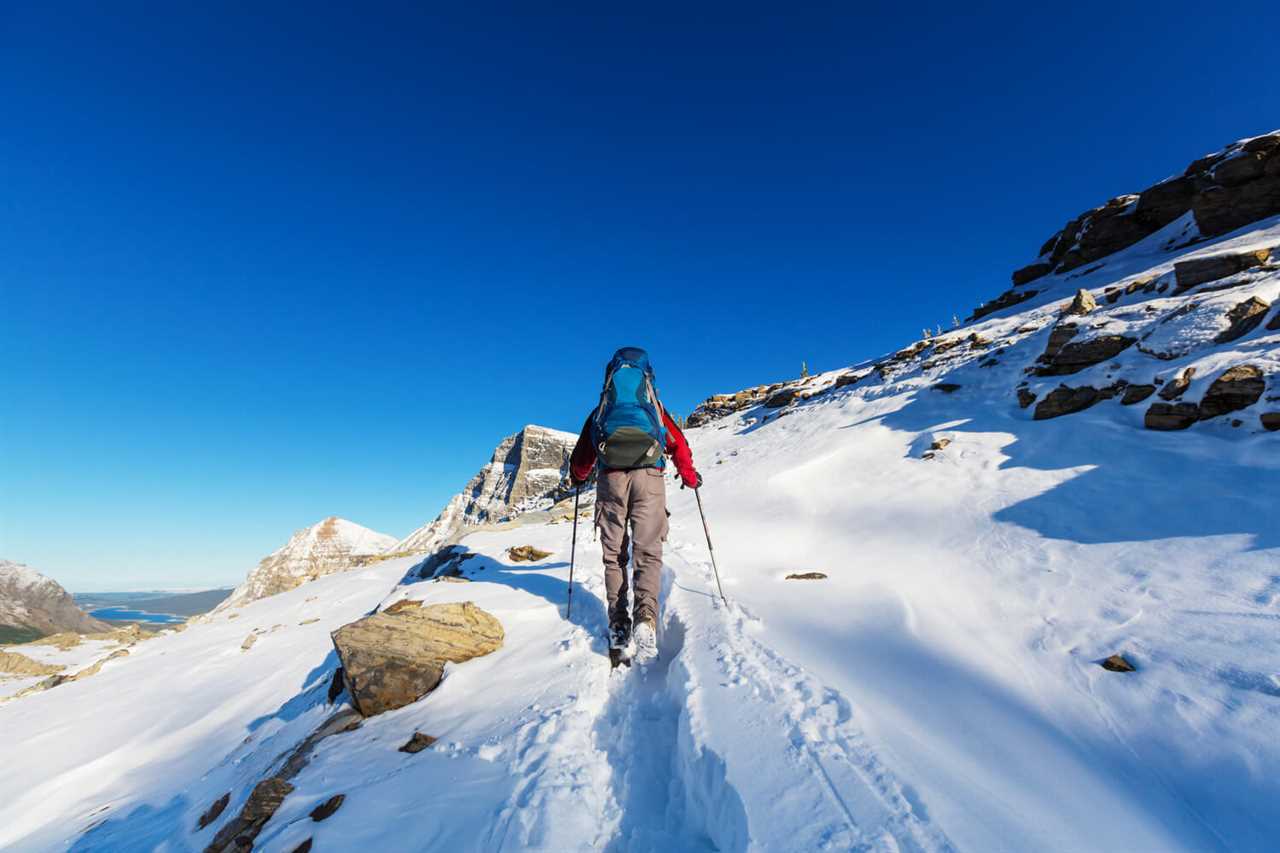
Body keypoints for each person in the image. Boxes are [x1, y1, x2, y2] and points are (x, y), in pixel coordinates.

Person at [568, 346, 701, 663]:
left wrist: (577, 477)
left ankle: (618, 624)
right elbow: (678, 443)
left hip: (611, 480)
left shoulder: (603, 409)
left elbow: (582, 458)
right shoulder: (654, 407)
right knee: (648, 553)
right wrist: (689, 475)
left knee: (614, 556)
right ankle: (645, 619)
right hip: (649, 480)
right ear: (648, 378)